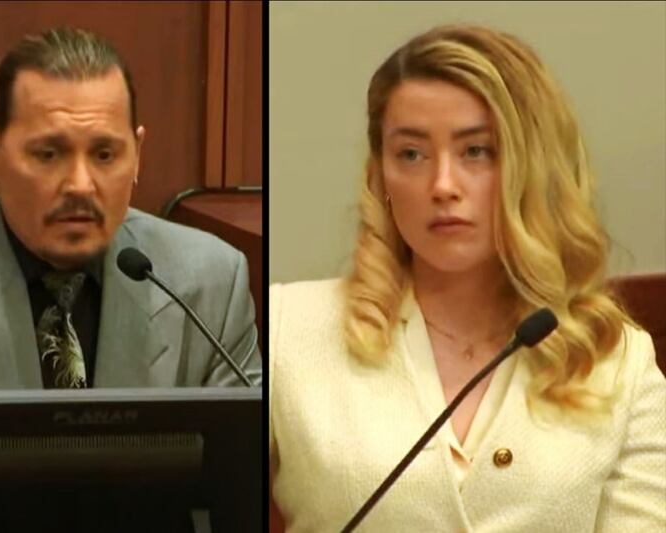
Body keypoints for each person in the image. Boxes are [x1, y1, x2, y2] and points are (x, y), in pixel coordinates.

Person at [269, 24, 665, 531]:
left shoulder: (615, 359)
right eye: (411, 154)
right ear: (381, 175)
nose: (442, 185)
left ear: (533, 167)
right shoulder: (288, 331)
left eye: (476, 151)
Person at [0, 27, 261, 391]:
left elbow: (237, 444)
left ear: (137, 155)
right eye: (48, 154)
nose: (80, 185)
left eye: (104, 155)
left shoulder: (212, 285)